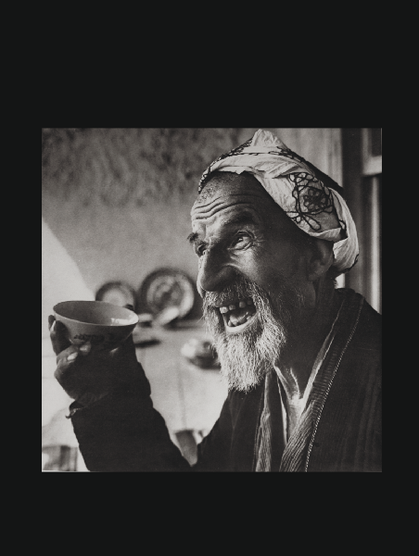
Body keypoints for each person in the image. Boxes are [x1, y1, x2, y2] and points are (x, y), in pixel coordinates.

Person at [48, 130, 382, 472]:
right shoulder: (257, 380)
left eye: (239, 239)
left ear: (316, 256)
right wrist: (107, 399)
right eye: (201, 248)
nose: (206, 280)